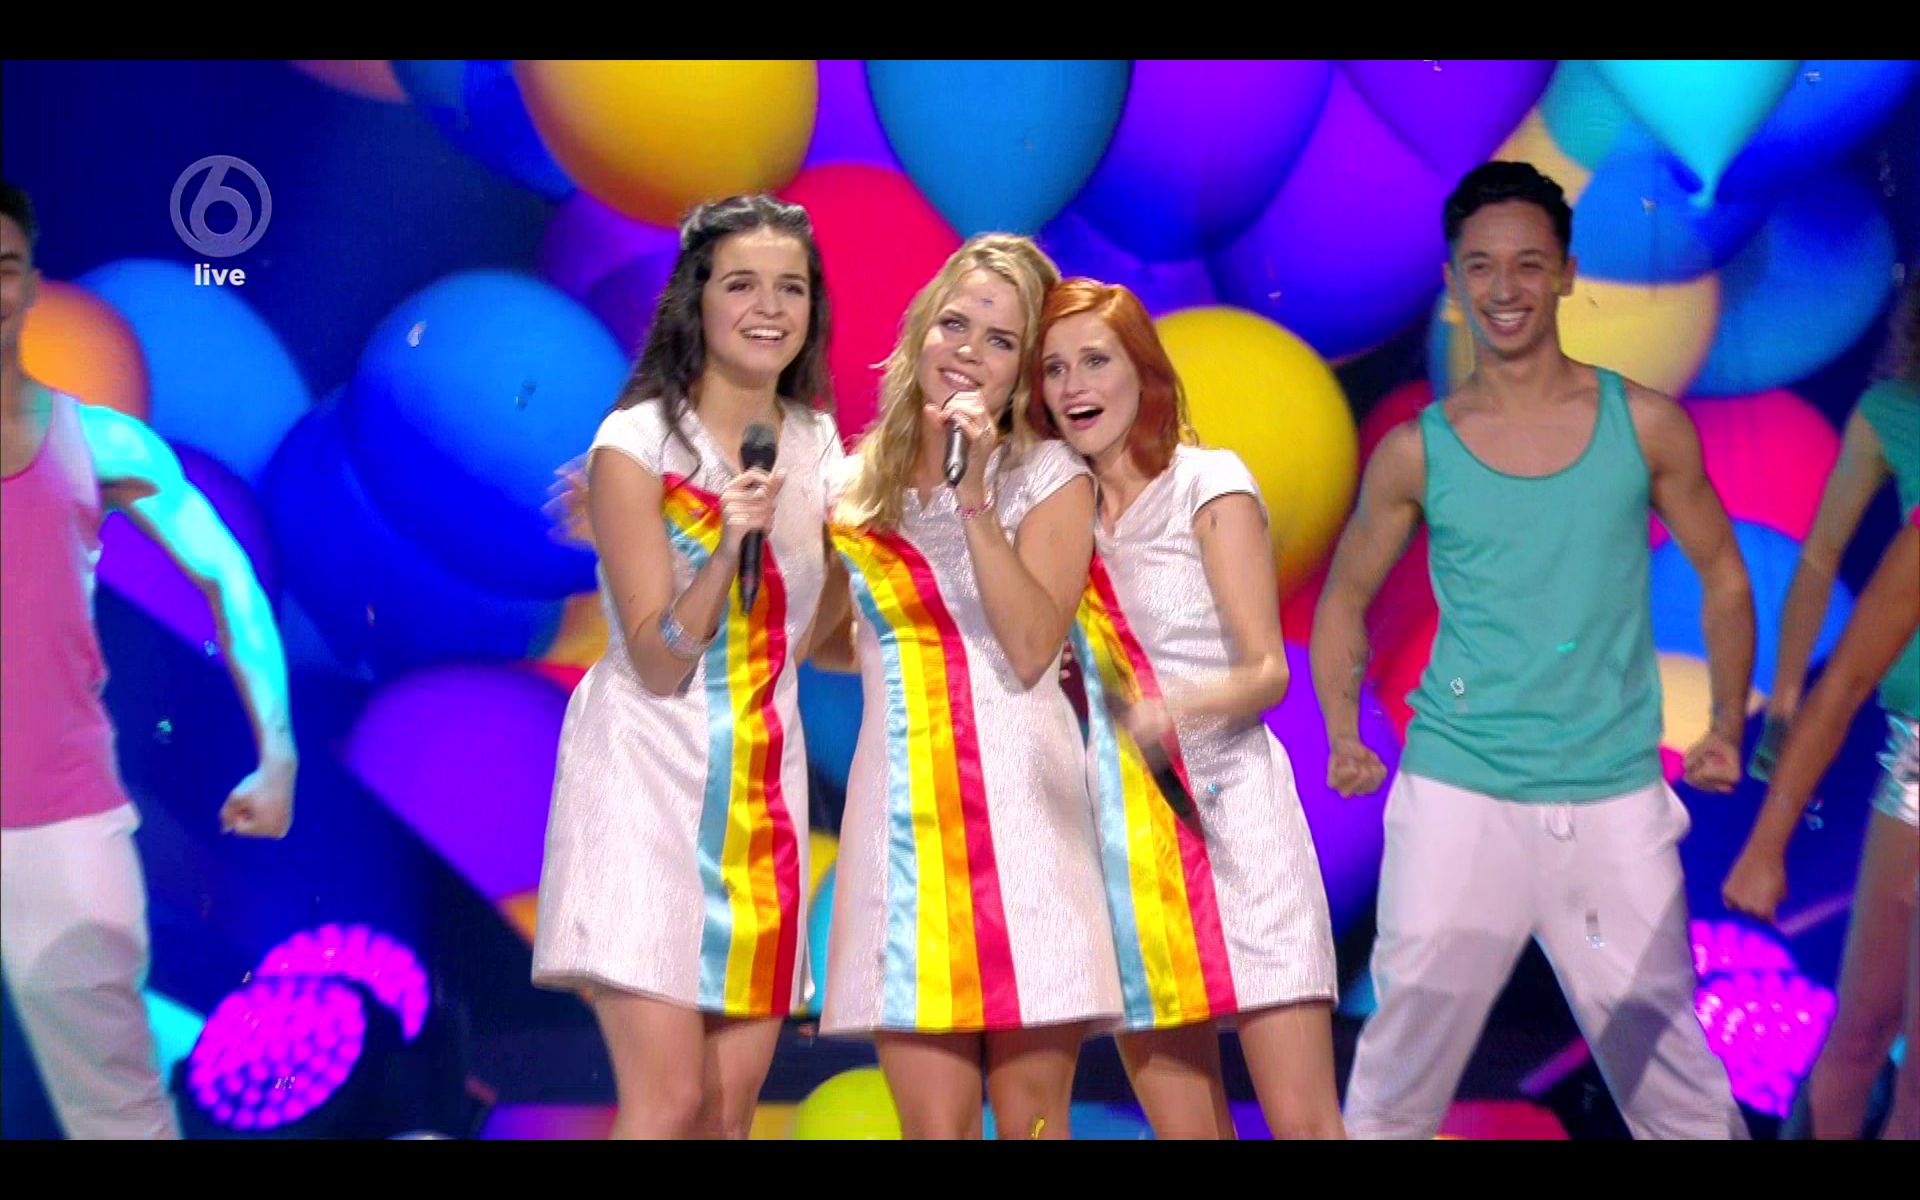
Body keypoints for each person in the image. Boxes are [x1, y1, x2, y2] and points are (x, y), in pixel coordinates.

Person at [1310, 161, 1755, 1139]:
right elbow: (1343, 596)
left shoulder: (1645, 425)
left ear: (1564, 273)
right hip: (1458, 789)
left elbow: (1725, 574)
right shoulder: (1418, 450)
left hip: (1609, 793)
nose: (1503, 287)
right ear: (1454, 281)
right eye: (1481, 266)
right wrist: (1343, 732)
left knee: (1667, 1073)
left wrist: (1725, 722)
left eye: (1526, 264)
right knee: (1398, 1074)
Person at [531, 194, 844, 1140]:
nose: (769, 308)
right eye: (742, 284)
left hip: (762, 796)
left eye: (791, 288)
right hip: (646, 780)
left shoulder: (818, 446)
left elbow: (818, 637)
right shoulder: (634, 445)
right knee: (667, 1102)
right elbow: (659, 660)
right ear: (695, 301)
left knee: (725, 1113)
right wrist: (727, 546)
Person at [1, 180, 298, 1139]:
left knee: (115, 1106)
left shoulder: (99, 442)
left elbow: (228, 579)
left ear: (28, 285)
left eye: (3, 268)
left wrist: (279, 752)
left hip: (56, 816)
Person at [818, 234, 1121, 1139]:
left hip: (1025, 822)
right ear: (921, 328)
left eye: (1000, 341)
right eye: (955, 324)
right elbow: (827, 638)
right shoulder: (851, 488)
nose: (967, 352)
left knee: (1033, 1123)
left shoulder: (1051, 479)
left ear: (1024, 375)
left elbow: (1030, 647)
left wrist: (975, 496)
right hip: (900, 830)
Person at [1032, 277, 1344, 1139]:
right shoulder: (1059, 525)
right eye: (1054, 369)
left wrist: (1170, 709)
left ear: (1142, 369)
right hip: (1128, 844)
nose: (1075, 386)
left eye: (1096, 361)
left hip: (1238, 824)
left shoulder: (1208, 482)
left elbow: (1267, 672)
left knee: (1304, 1123)